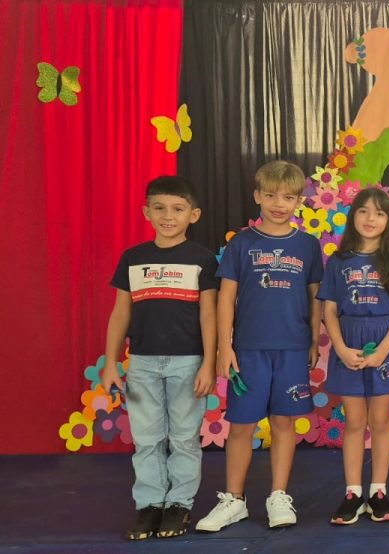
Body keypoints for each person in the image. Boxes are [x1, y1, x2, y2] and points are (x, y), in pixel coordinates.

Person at [196, 161, 323, 531]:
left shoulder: (307, 245)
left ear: (299, 201)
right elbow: (225, 297)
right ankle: (234, 500)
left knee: (284, 422)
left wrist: (314, 339)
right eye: (270, 195)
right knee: (241, 425)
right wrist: (224, 347)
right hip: (248, 350)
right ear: (257, 197)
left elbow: (315, 296)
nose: (279, 204)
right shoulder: (242, 244)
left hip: (292, 349)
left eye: (288, 197)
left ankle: (278, 496)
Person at [101, 176, 218, 540]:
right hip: (142, 363)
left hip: (188, 362)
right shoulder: (133, 258)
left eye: (178, 209)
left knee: (184, 438)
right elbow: (120, 313)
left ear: (193, 215)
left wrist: (209, 363)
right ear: (146, 212)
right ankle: (150, 505)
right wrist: (110, 362)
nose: (168, 216)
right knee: (147, 438)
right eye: (160, 208)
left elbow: (209, 314)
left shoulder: (202, 259)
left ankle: (179, 504)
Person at [321, 187, 389, 525]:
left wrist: (382, 351)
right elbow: (329, 309)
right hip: (348, 341)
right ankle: (353, 493)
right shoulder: (338, 261)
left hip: (385, 344)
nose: (370, 219)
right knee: (353, 421)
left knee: (380, 421)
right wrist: (339, 347)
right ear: (353, 216)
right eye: (363, 211)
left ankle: (378, 491)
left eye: (379, 213)